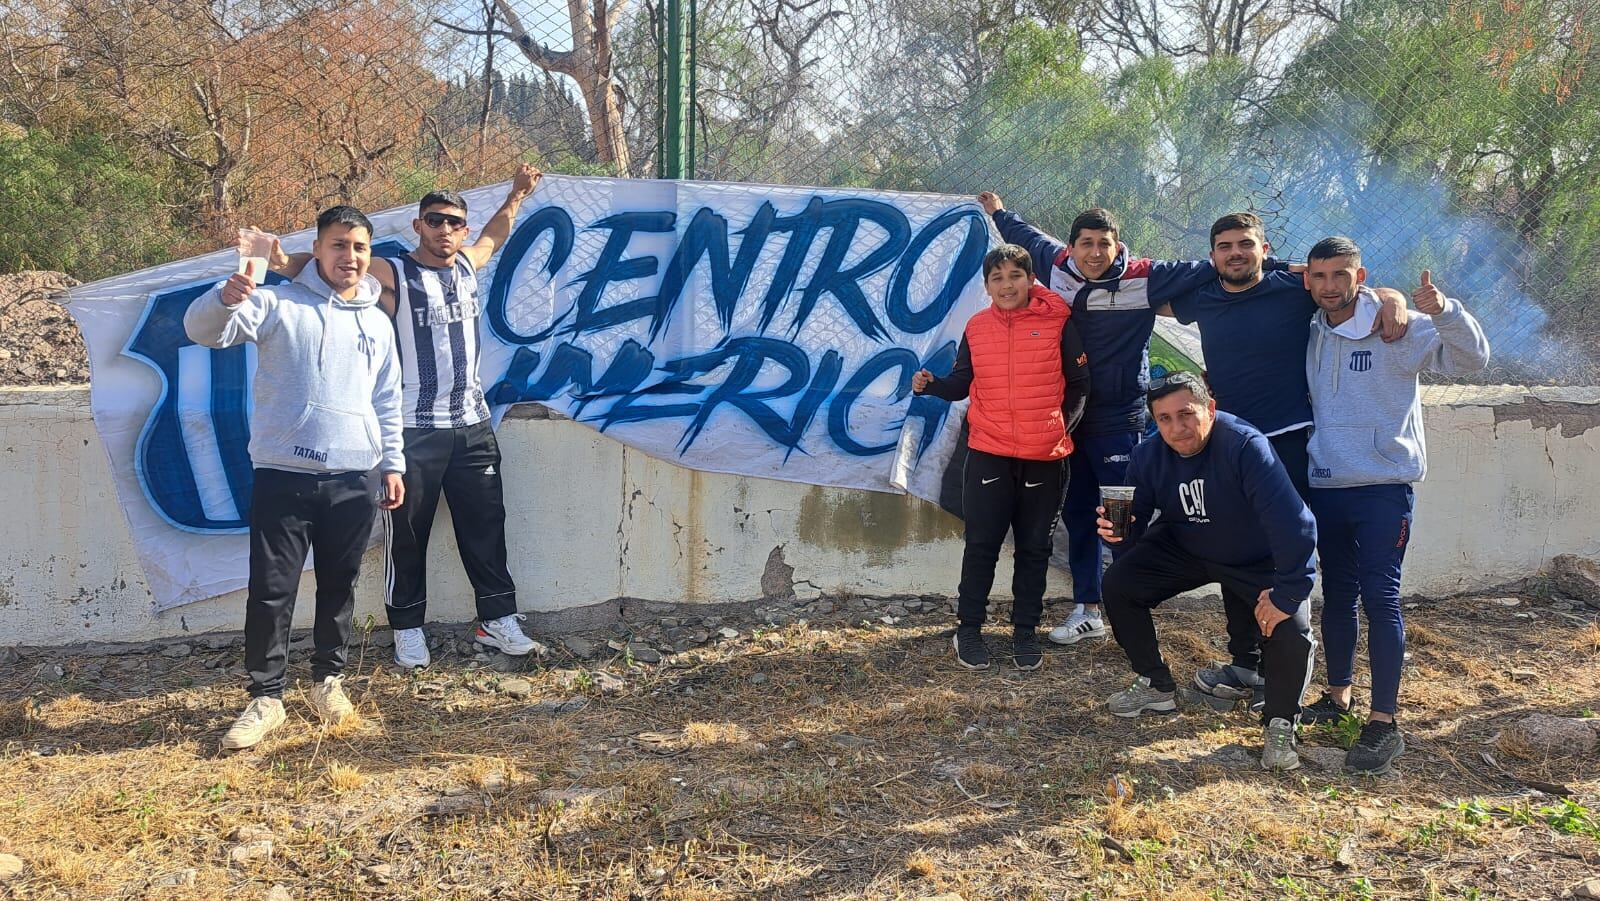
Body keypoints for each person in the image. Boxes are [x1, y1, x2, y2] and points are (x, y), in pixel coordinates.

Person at [978, 195, 1287, 648]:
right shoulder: (1054, 263)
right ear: (1071, 247)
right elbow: (1022, 235)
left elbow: (1223, 265)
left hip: (1118, 420)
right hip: (1065, 418)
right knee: (1077, 512)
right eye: (1086, 244)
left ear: (1118, 246)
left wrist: (1287, 267)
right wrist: (998, 212)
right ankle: (1088, 610)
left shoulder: (1148, 276)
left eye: (1104, 244)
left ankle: (1129, 601)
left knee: (1122, 515)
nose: (1095, 253)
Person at [271, 164, 543, 668]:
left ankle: (496, 620)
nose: (445, 230)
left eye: (454, 223)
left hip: (473, 424)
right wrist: (280, 259)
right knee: (407, 535)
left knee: (485, 526)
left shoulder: (466, 264)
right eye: (435, 220)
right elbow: (333, 267)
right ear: (417, 225)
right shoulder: (393, 271)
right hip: (415, 429)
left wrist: (517, 195)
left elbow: (493, 235)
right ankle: (408, 629)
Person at [1161, 211, 1409, 705]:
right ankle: (1246, 664)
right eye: (1225, 246)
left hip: (1290, 440)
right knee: (1235, 547)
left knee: (1285, 553)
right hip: (1227, 441)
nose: (1235, 253)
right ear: (1213, 255)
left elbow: (1345, 282)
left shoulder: (1290, 287)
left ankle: (1287, 671)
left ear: (1264, 248)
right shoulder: (1200, 296)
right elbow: (1141, 297)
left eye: (1245, 244)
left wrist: (1391, 296)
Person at [185, 205, 405, 751]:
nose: (348, 257)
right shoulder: (276, 302)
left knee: (339, 587)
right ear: (318, 249)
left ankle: (328, 681)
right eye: (337, 245)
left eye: (358, 247)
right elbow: (203, 331)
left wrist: (393, 463)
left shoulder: (377, 322)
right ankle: (266, 696)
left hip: (355, 478)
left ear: (368, 255)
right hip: (284, 475)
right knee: (271, 591)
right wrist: (225, 297)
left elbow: (387, 399)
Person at [1296, 237, 1490, 774]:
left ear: (1360, 278)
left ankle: (1384, 722)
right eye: (1320, 277)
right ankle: (1338, 699)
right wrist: (1387, 292)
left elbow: (1473, 359)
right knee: (1335, 594)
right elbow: (1269, 269)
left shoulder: (1396, 327)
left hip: (1384, 486)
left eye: (1342, 276)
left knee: (1380, 598)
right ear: (1309, 280)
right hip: (1327, 484)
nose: (1330, 286)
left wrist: (1444, 310)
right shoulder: (1312, 327)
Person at [1098, 371, 1317, 771]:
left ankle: (1282, 725)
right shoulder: (1148, 456)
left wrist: (1288, 593)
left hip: (1256, 557)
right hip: (1187, 546)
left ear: (1210, 408)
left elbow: (1295, 524)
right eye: (1164, 418)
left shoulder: (1245, 446)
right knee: (1119, 583)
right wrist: (1116, 535)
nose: (1177, 428)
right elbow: (1132, 530)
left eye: (1186, 414)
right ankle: (1156, 684)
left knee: (1290, 625)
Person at [912, 244, 1091, 671]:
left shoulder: (1058, 321)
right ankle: (968, 630)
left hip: (1044, 456)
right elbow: (961, 383)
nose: (1007, 284)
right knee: (982, 545)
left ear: (1031, 279)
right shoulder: (977, 327)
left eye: (1015, 275)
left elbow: (1080, 385)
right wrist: (932, 385)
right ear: (987, 286)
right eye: (997, 278)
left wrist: (1056, 431)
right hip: (989, 453)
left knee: (1034, 548)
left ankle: (1024, 632)